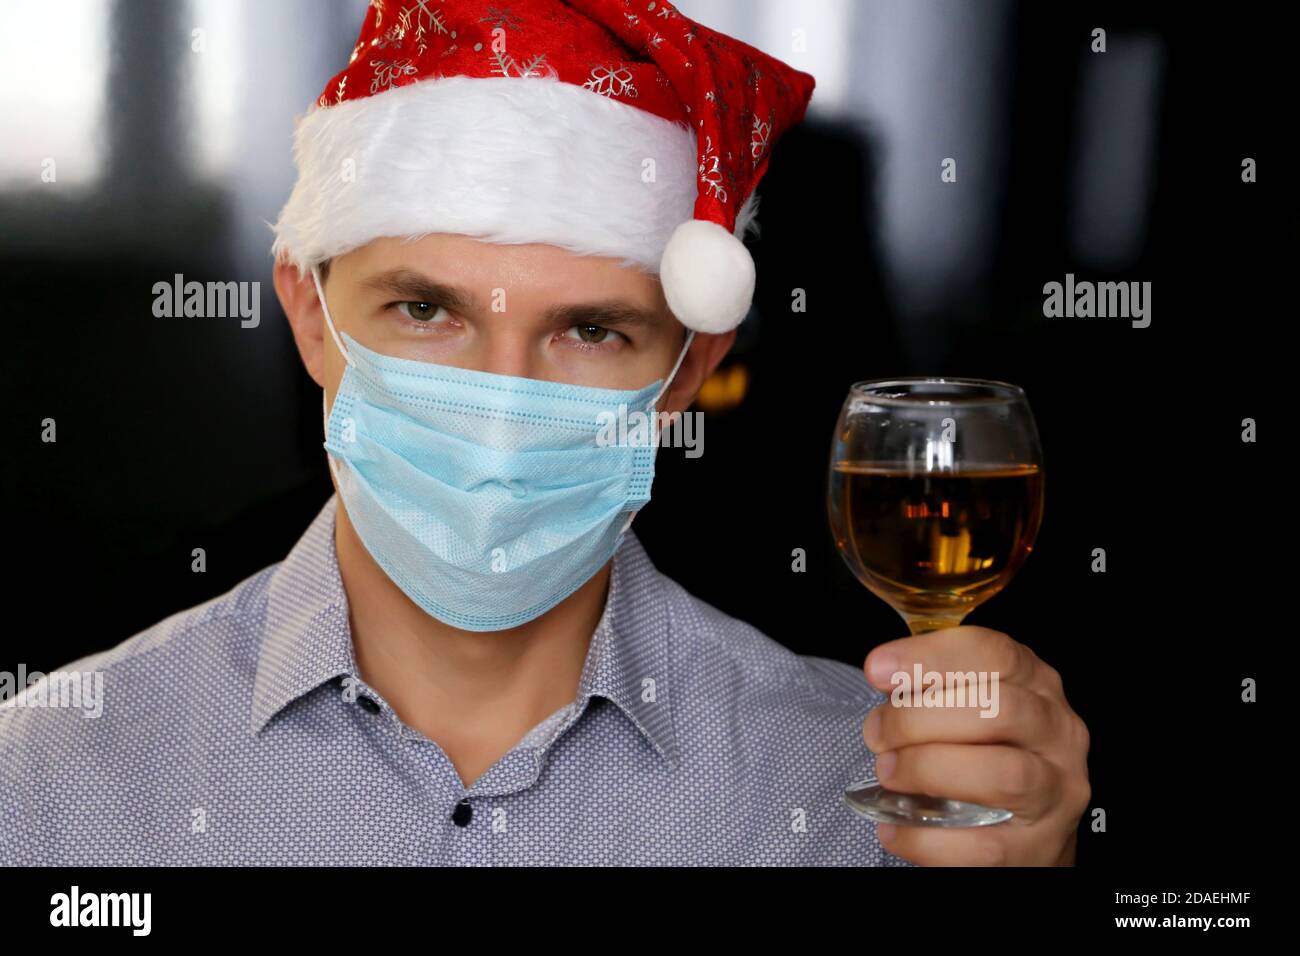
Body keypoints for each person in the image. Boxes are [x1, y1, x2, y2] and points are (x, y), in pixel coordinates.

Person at [0, 0, 1089, 866]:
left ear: (685, 373)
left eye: (590, 329)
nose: (501, 404)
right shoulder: (49, 776)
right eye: (426, 309)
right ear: (309, 316)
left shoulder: (874, 797)